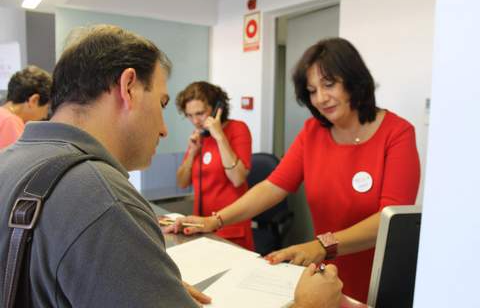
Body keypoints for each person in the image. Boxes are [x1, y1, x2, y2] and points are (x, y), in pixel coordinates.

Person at [0, 24, 343, 308]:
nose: (165, 128)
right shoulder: (101, 196)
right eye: (162, 103)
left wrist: (141, 285)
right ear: (129, 87)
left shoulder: (11, 162)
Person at [168, 37, 421, 303]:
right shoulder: (313, 132)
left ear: (354, 80)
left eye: (329, 84)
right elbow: (272, 187)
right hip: (327, 272)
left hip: (378, 273)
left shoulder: (397, 133)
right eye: (312, 90)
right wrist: (216, 220)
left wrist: (323, 245)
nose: (321, 98)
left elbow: (389, 219)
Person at [175, 81, 254, 250]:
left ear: (218, 108)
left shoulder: (237, 129)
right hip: (200, 228)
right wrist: (192, 153)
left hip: (231, 228)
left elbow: (238, 178)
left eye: (200, 113)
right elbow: (182, 183)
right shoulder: (199, 137)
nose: (195, 120)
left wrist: (219, 137)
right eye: (189, 115)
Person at [0, 65, 51, 149]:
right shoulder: (10, 122)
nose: (45, 116)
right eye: (47, 107)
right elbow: (18, 159)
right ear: (34, 100)